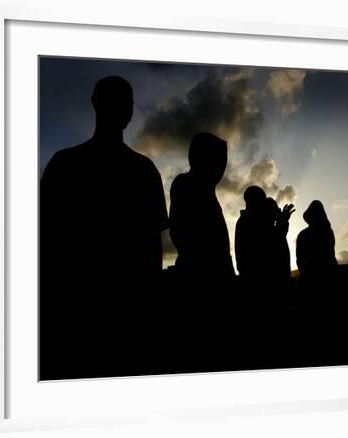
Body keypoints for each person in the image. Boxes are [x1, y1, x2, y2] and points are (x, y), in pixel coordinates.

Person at [39, 76, 168, 379]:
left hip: (119, 317)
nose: (123, 109)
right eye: (119, 101)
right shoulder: (66, 165)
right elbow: (45, 242)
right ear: (98, 104)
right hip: (76, 316)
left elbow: (152, 250)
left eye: (126, 102)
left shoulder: (141, 170)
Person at [169, 132, 234, 280]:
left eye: (223, 160)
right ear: (200, 158)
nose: (222, 168)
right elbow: (180, 233)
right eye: (217, 159)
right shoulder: (185, 184)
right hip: (200, 275)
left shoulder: (208, 192)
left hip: (219, 274)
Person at [296, 200, 337, 289]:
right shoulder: (328, 232)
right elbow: (300, 261)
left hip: (319, 278)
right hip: (324, 278)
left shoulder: (303, 234)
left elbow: (300, 261)